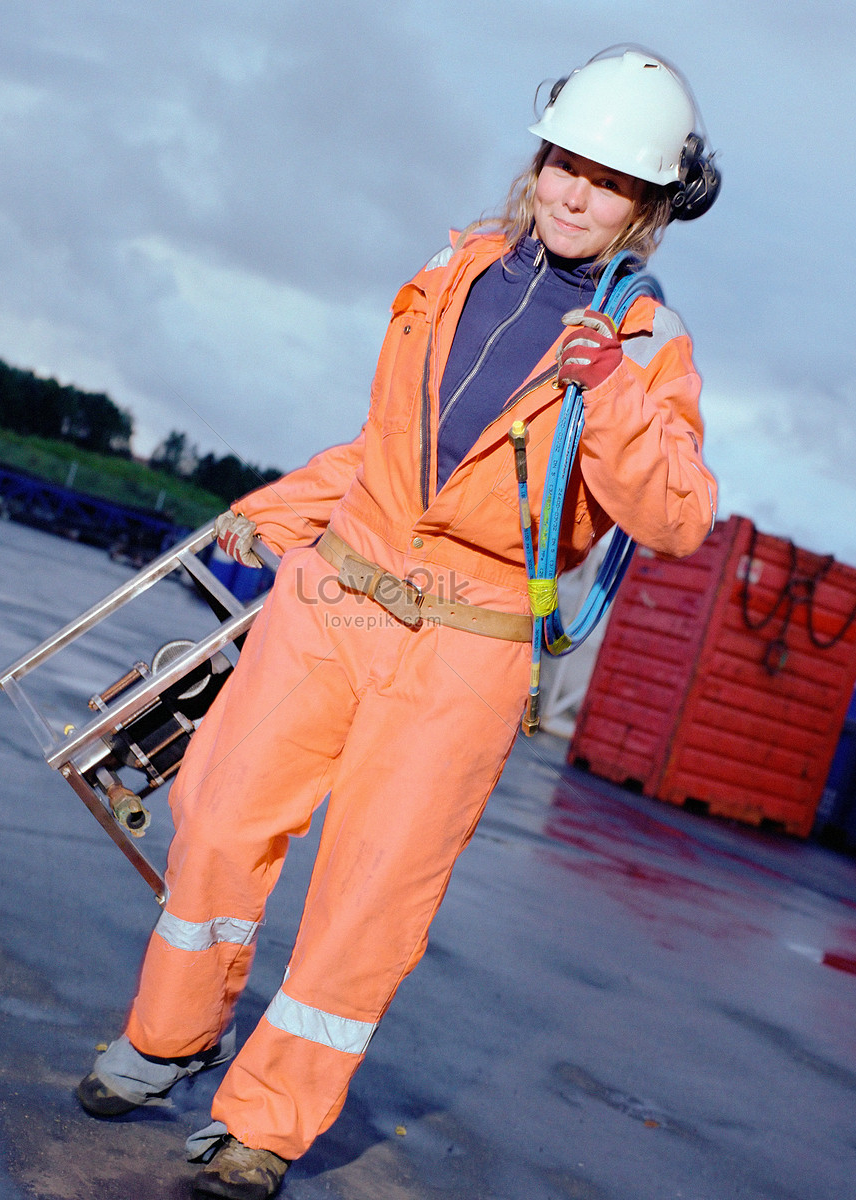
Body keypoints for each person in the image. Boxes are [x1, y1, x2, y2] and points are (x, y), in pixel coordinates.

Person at [79, 46, 720, 1200]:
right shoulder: (456, 265)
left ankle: (266, 1126)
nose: (576, 193)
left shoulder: (643, 348)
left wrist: (611, 395)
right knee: (218, 818)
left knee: (371, 895)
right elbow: (391, 449)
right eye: (566, 164)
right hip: (334, 591)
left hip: (465, 645)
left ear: (651, 206)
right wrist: (276, 509)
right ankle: (171, 1038)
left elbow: (677, 515)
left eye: (609, 181)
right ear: (541, 161)